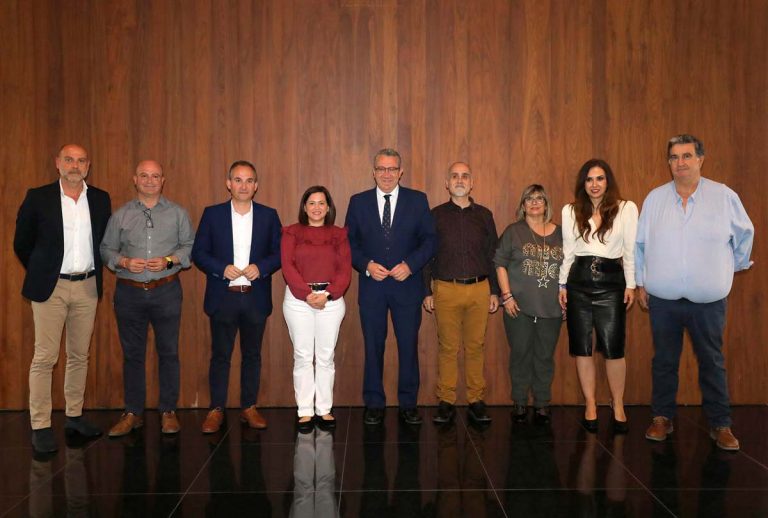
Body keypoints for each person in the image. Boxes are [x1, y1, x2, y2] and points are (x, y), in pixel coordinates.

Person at [637, 134, 753, 451]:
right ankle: (662, 418)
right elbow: (640, 245)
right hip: (664, 300)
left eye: (687, 156)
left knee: (712, 362)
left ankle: (721, 424)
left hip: (708, 301)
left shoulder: (724, 196)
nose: (681, 163)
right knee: (664, 361)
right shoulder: (654, 199)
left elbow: (745, 235)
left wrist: (730, 267)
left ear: (700, 159)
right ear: (669, 162)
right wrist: (640, 281)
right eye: (674, 157)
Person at [14, 144, 111, 453]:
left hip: (87, 286)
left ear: (88, 166)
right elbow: (22, 243)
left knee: (79, 355)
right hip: (51, 287)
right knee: (45, 358)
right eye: (69, 159)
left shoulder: (100, 199)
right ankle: (41, 425)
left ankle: (74, 416)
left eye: (81, 161)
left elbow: (104, 242)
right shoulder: (38, 197)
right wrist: (42, 270)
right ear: (58, 163)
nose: (74, 165)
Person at [100, 160, 194, 436]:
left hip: (166, 291)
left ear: (163, 180)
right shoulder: (121, 215)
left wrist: (169, 260)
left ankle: (168, 411)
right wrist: (124, 261)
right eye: (144, 175)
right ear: (135, 179)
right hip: (129, 292)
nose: (150, 181)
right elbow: (106, 249)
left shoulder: (177, 213)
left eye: (155, 176)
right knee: (132, 355)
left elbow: (189, 246)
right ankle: (133, 412)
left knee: (169, 352)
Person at [345, 148, 436, 426]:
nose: (387, 174)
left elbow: (430, 240)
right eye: (381, 169)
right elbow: (349, 243)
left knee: (408, 346)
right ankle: (374, 403)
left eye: (392, 168)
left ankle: (408, 404)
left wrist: (410, 265)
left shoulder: (417, 200)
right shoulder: (358, 202)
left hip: (407, 286)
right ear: (373, 172)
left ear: (401, 172)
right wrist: (366, 265)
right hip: (372, 287)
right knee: (373, 346)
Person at [192, 160, 282, 433]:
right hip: (223, 296)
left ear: (256, 186)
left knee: (252, 355)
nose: (243, 185)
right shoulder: (212, 214)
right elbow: (199, 253)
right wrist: (221, 269)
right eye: (238, 180)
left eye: (249, 180)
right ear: (228, 183)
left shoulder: (268, 215)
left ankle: (249, 407)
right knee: (220, 355)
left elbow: (280, 253)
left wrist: (261, 268)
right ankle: (216, 409)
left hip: (255, 297)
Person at [558, 159, 637, 434]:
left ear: (608, 181)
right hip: (578, 283)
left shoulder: (626, 208)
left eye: (600, 178)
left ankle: (618, 404)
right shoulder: (570, 211)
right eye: (589, 179)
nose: (594, 184)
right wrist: (562, 285)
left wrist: (631, 285)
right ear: (583, 183)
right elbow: (568, 251)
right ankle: (590, 404)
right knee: (582, 347)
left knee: (614, 349)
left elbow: (630, 250)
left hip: (612, 284)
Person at [423, 162, 499, 425]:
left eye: (465, 176)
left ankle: (476, 399)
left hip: (479, 289)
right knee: (447, 347)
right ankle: (446, 400)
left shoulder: (485, 215)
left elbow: (493, 255)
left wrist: (495, 291)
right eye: (454, 176)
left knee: (476, 347)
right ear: (447, 183)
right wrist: (426, 291)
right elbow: (426, 255)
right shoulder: (435, 215)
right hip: (445, 289)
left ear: (472, 182)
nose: (459, 180)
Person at [281, 186, 351, 431]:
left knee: (325, 357)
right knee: (302, 355)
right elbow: (287, 266)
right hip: (298, 301)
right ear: (304, 206)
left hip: (330, 302)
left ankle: (323, 409)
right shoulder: (291, 232)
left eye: (322, 203)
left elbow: (344, 270)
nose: (317, 208)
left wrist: (328, 294)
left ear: (329, 207)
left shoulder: (339, 234)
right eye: (312, 203)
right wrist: (306, 294)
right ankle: (304, 410)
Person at [495, 184, 564, 425]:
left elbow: (570, 267)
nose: (535, 203)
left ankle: (542, 402)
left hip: (552, 308)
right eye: (529, 199)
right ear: (523, 205)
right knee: (520, 354)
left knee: (544, 356)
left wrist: (568, 297)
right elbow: (500, 264)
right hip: (518, 307)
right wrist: (507, 296)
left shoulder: (562, 234)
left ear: (546, 204)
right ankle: (520, 402)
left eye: (539, 199)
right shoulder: (513, 232)